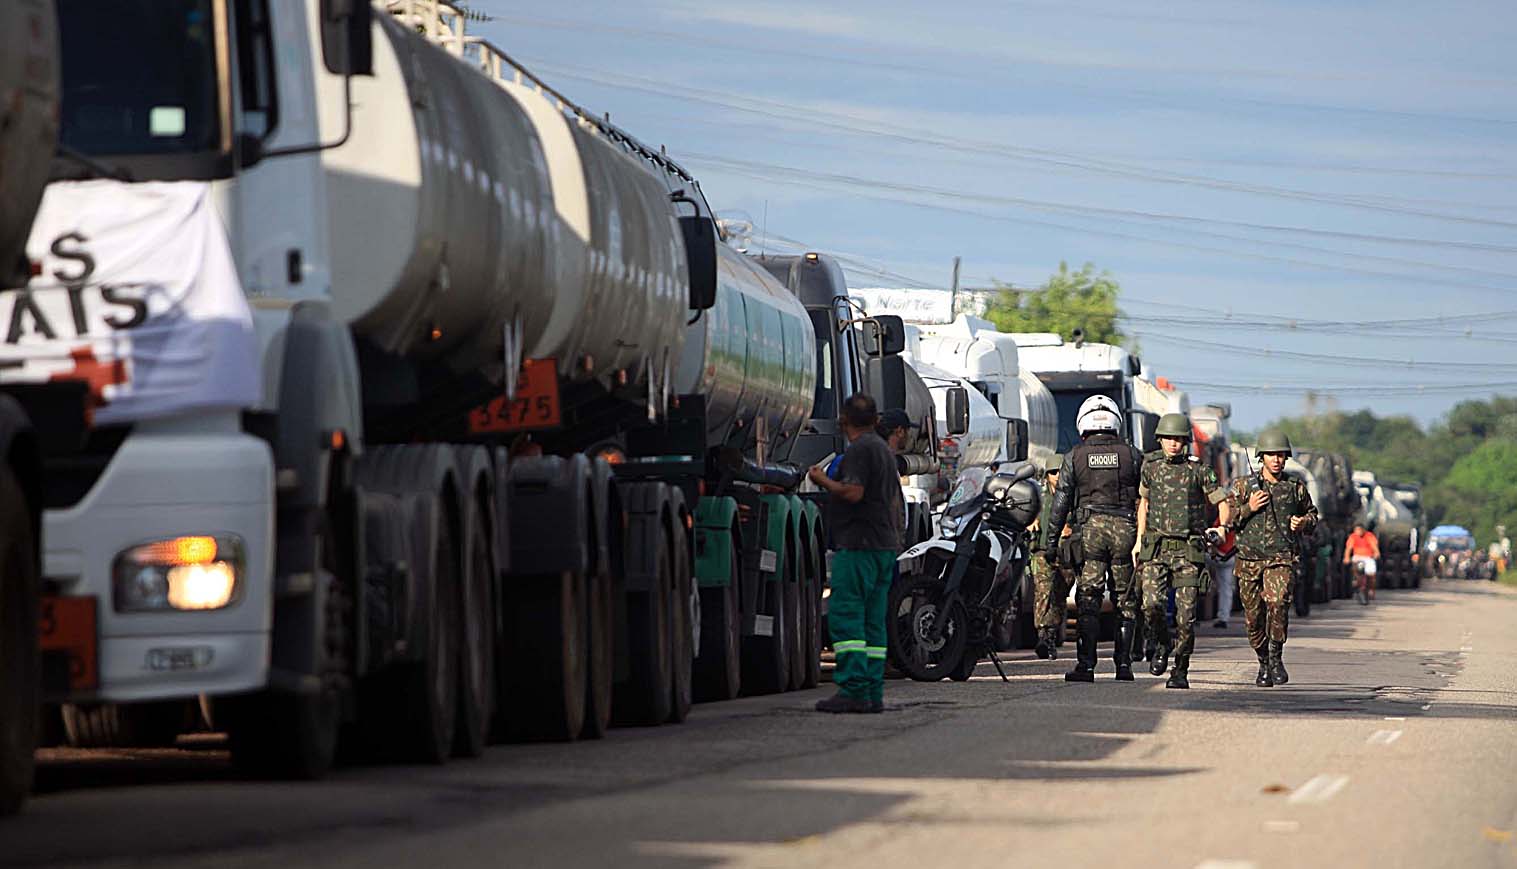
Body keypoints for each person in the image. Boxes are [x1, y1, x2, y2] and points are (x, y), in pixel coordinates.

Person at [808, 393, 901, 714]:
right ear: (876, 420)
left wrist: (822, 480)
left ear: (842, 420)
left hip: (859, 546)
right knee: (874, 622)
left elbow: (854, 492)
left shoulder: (860, 450)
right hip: (883, 547)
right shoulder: (883, 450)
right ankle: (872, 691)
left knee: (846, 616)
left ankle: (853, 689)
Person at [1044, 395, 1144, 682]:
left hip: (1091, 533)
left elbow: (1061, 502)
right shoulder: (1133, 455)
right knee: (1125, 599)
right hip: (1125, 530)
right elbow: (1146, 497)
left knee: (1089, 599)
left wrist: (1051, 543)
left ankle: (1086, 667)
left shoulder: (1074, 456)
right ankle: (1123, 666)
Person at [1136, 413, 1231, 689]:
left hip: (1188, 551)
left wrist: (1223, 527)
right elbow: (1143, 503)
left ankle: (1180, 669)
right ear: (1160, 440)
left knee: (1186, 617)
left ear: (1186, 441)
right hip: (1156, 549)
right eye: (1169, 439)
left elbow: (1221, 502)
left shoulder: (1199, 471)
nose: (1173, 444)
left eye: (1178, 439)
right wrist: (1139, 539)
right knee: (1151, 605)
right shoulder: (1150, 468)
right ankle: (1164, 645)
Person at [1228, 430, 1317, 687]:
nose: (1276, 460)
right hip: (1248, 562)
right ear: (1261, 457)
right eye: (1271, 455)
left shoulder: (1295, 488)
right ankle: (1263, 661)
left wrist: (1303, 523)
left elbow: (1313, 516)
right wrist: (1249, 508)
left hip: (1281, 558)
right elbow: (1228, 520)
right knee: (1253, 618)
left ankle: (1276, 657)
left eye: (1281, 455)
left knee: (1277, 603)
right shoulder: (1244, 487)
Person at [1030, 453, 1076, 660]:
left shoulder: (1074, 496)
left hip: (1065, 553)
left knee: (1058, 595)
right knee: (1043, 592)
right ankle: (1043, 635)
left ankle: (1051, 633)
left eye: (1060, 472)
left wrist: (1072, 529)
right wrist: (1031, 522)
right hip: (1042, 551)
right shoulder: (1039, 497)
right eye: (1053, 472)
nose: (1057, 476)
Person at [1343, 521, 1380, 601]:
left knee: (1371, 574)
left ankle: (1371, 589)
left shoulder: (1369, 536)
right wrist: (1346, 557)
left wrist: (1376, 553)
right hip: (1358, 557)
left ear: (1363, 530)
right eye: (1356, 530)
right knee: (1355, 566)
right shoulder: (1352, 537)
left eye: (1360, 530)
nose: (1358, 532)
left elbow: (1374, 546)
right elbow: (1348, 549)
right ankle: (1356, 579)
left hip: (1368, 557)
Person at [1210, 525, 1238, 629]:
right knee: (1226, 587)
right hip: (1229, 554)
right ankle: (1223, 617)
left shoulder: (1218, 518)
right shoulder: (1234, 516)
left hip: (1218, 553)